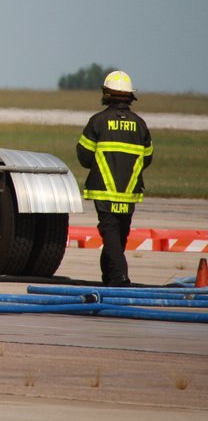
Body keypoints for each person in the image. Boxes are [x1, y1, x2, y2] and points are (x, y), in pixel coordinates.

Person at [76, 70, 154, 287]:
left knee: (110, 235)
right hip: (129, 192)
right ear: (130, 96)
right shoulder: (140, 125)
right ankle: (109, 279)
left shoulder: (98, 122)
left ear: (106, 94)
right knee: (118, 236)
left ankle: (119, 277)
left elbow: (84, 156)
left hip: (104, 191)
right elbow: (148, 158)